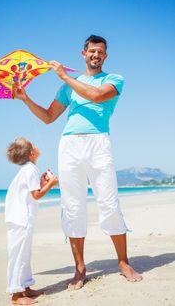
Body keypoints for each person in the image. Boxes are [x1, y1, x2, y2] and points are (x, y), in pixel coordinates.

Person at [12, 35, 142, 289]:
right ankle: (80, 268)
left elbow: (96, 96)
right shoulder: (68, 87)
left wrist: (64, 76)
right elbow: (49, 117)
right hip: (69, 145)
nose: (96, 55)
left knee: (109, 201)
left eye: (100, 52)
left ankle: (123, 262)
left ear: (105, 56)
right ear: (83, 54)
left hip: (98, 143)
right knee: (72, 206)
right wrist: (25, 98)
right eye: (92, 51)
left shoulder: (114, 79)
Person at [5, 137, 58, 305]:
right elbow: (36, 195)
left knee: (24, 254)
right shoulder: (30, 170)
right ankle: (16, 295)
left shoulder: (28, 170)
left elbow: (32, 191)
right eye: (33, 145)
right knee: (19, 255)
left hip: (20, 218)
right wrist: (51, 184)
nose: (37, 145)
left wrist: (42, 183)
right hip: (21, 219)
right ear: (32, 153)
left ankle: (25, 287)